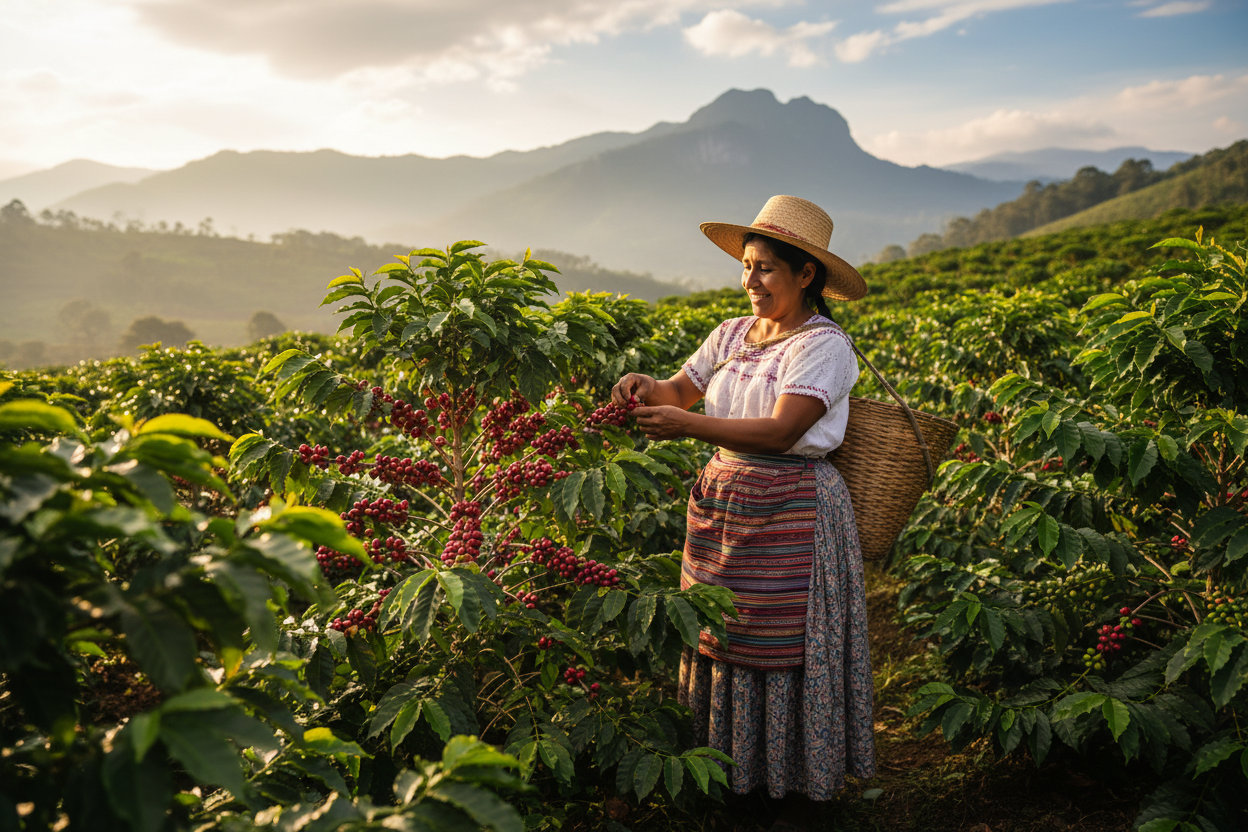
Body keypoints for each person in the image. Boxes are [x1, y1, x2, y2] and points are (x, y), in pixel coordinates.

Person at [611, 195, 875, 831]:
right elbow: (682, 388)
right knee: (721, 636)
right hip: (725, 505)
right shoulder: (731, 333)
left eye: (766, 269)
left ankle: (793, 789)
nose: (751, 281)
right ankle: (732, 777)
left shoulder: (824, 345)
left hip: (795, 510)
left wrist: (687, 424)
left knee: (782, 645)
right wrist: (647, 387)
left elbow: (784, 431)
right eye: (747, 266)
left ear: (805, 275)